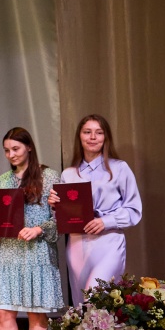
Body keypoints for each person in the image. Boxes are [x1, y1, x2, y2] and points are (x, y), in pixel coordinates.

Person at [0, 127, 64, 330]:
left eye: (16, 149)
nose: (11, 154)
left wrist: (38, 229)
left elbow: (60, 219)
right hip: (8, 253)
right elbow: (2, 217)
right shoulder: (4, 179)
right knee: (3, 313)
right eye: (7, 150)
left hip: (37, 252)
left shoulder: (49, 176)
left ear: (29, 147)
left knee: (36, 313)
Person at [49, 114, 142, 305]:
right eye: (87, 132)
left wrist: (106, 221)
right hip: (77, 244)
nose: (93, 137)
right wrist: (55, 206)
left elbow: (134, 209)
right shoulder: (68, 174)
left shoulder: (120, 168)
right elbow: (62, 219)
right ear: (79, 136)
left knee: (94, 296)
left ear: (105, 137)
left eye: (99, 133)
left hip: (108, 242)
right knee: (81, 303)